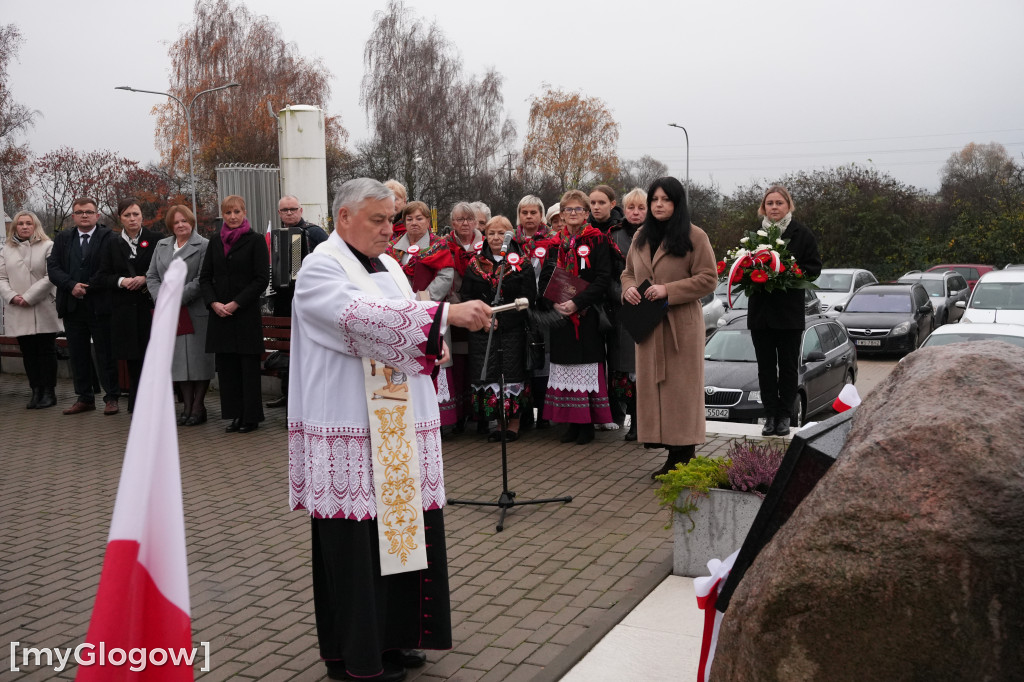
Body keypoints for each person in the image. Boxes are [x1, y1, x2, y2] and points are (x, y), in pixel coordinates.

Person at [288, 178, 491, 682]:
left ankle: (396, 638)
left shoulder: (394, 268)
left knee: (402, 540)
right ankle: (356, 655)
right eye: (377, 220)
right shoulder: (320, 268)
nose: (389, 229)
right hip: (352, 428)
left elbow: (404, 327)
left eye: (391, 219)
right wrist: (443, 315)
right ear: (343, 218)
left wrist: (434, 343)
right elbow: (360, 319)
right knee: (356, 550)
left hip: (397, 426)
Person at [621, 177, 718, 478]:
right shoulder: (640, 236)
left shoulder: (694, 236)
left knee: (681, 392)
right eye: (655, 200)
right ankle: (670, 452)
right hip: (649, 326)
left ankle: (683, 455)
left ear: (677, 203)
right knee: (655, 390)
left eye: (665, 199)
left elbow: (708, 278)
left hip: (681, 327)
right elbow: (627, 273)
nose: (659, 204)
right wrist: (628, 289)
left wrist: (668, 290)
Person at [541, 189, 615, 445]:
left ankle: (587, 425)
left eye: (578, 210)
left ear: (586, 214)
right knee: (564, 366)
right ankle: (571, 423)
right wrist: (556, 301)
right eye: (568, 210)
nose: (573, 214)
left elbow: (603, 278)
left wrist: (577, 302)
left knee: (585, 366)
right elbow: (546, 278)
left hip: (588, 314)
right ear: (561, 214)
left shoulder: (597, 240)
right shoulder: (553, 244)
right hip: (561, 315)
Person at [747, 185, 822, 437]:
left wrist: (789, 272)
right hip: (761, 315)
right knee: (765, 368)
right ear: (763, 207)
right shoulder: (755, 236)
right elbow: (744, 266)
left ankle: (784, 417)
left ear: (788, 205)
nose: (775, 207)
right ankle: (769, 416)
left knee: (788, 368)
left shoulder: (802, 234)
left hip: (789, 316)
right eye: (770, 203)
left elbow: (814, 268)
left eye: (779, 203)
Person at [460, 215, 537, 441]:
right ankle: (496, 422)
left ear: (510, 235)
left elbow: (528, 298)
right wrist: (484, 319)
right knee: (489, 375)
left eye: (501, 233)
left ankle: (512, 425)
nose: (495, 237)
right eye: (491, 233)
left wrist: (503, 319)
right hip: (483, 329)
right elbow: (467, 295)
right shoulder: (474, 264)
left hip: (512, 329)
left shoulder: (521, 263)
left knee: (512, 373)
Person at [199, 195, 270, 433]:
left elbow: (261, 279)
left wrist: (236, 303)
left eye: (237, 212)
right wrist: (213, 303)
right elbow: (205, 277)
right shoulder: (215, 242)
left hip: (245, 315)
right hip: (220, 316)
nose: (232, 217)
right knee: (228, 369)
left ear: (244, 212)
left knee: (248, 369)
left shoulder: (256, 240)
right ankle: (235, 415)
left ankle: (250, 417)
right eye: (228, 213)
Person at [385, 201, 457, 426]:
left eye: (419, 218)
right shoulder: (393, 248)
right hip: (401, 315)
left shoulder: (438, 246)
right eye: (409, 219)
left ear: (428, 221)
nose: (414, 223)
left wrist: (422, 301)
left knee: (435, 361)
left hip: (429, 312)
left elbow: (446, 276)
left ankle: (439, 419)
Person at [46, 197, 120, 415]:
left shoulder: (109, 238)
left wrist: (88, 286)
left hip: (100, 305)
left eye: (89, 212)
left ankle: (112, 397)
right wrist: (71, 285)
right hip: (72, 305)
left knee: (105, 352)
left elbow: (110, 267)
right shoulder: (63, 239)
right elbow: (53, 268)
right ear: (73, 216)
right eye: (80, 212)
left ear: (98, 215)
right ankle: (85, 397)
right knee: (77, 354)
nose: (84, 215)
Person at [147, 205, 216, 426]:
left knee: (198, 362)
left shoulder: (204, 245)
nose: (180, 225)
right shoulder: (161, 245)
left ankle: (199, 406)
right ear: (170, 225)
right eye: (176, 222)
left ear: (192, 222)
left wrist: (176, 298)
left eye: (184, 221)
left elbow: (201, 279)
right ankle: (186, 407)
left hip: (195, 311)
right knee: (178, 363)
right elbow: (152, 276)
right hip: (169, 314)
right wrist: (163, 298)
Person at [93, 199, 160, 413]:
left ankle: (156, 401)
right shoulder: (111, 243)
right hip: (124, 310)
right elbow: (101, 277)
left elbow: (165, 270)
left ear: (142, 216)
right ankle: (137, 401)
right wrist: (122, 281)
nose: (132, 219)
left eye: (136, 214)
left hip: (150, 308)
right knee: (133, 358)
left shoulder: (157, 240)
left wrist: (144, 278)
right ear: (120, 218)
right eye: (127, 215)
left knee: (153, 356)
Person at [265, 194, 329, 409]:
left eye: (293, 209)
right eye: (285, 210)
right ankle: (288, 394)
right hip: (283, 299)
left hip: (309, 298)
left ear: (301, 210)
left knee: (306, 348)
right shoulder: (274, 235)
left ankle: (307, 397)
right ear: (279, 213)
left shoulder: (314, 232)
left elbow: (329, 260)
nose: (289, 213)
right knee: (286, 348)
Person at [0, 210, 62, 409]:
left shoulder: (48, 246)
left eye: (28, 223)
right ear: (15, 227)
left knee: (46, 351)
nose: (25, 226)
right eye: (20, 223)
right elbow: (1, 278)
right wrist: (12, 296)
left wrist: (28, 297)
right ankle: (35, 390)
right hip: (18, 308)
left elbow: (50, 276)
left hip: (42, 306)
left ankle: (49, 392)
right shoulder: (6, 249)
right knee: (28, 352)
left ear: (35, 225)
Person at [608, 188, 647, 441]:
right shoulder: (614, 235)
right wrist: (623, 293)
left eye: (641, 207)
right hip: (622, 309)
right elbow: (609, 273)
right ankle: (632, 419)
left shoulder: (658, 234)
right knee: (624, 372)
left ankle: (646, 421)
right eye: (631, 207)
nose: (635, 212)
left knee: (646, 369)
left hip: (651, 308)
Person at [514, 195, 555, 430]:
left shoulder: (551, 240)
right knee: (522, 360)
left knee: (544, 360)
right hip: (519, 308)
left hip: (544, 308)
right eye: (524, 213)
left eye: (533, 213)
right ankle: (525, 412)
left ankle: (545, 412)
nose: (529, 217)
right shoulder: (513, 241)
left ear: (541, 215)